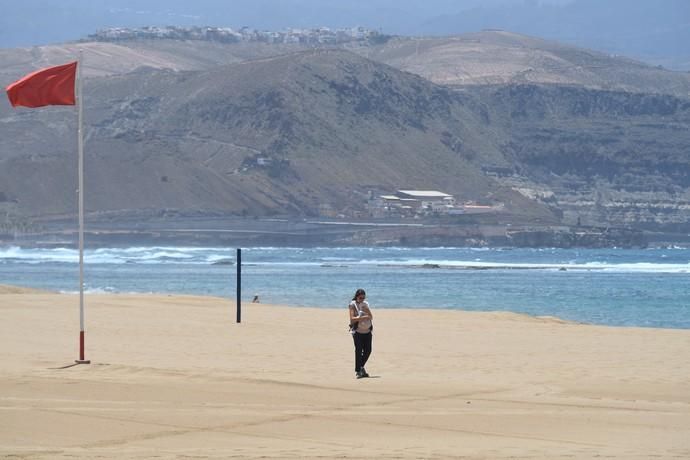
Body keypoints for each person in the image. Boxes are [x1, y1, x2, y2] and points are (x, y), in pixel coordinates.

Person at [348, 288, 373, 379]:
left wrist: (365, 312)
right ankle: (358, 371)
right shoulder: (352, 305)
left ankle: (361, 366)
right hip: (357, 332)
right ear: (356, 297)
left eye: (363, 298)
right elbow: (352, 319)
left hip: (367, 331)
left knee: (368, 350)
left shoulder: (365, 304)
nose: (362, 299)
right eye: (360, 298)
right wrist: (362, 318)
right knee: (358, 351)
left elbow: (371, 316)